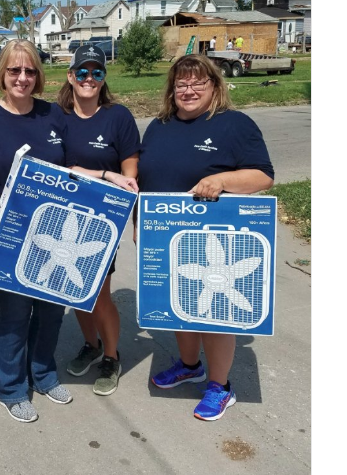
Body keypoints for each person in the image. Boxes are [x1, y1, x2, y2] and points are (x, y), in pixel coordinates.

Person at [137, 54, 274, 421]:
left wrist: (223, 181)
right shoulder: (159, 125)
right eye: (181, 84)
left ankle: (220, 386)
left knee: (213, 313)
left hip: (214, 242)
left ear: (215, 86)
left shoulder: (235, 125)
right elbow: (148, 181)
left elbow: (263, 176)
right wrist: (140, 224)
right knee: (178, 308)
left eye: (198, 82)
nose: (189, 89)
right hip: (165, 236)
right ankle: (188, 364)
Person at [0, 39, 71, 424]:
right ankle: (11, 389)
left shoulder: (54, 115)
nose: (22, 78)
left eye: (29, 71)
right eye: (14, 70)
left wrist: (113, 178)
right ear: (2, 74)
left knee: (51, 311)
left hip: (55, 233)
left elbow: (73, 172)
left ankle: (43, 375)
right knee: (14, 314)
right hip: (6, 234)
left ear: (39, 75)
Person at [55, 45, 140, 396]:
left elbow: (130, 173)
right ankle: (90, 344)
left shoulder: (117, 117)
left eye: (98, 73)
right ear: (71, 76)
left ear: (104, 79)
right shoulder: (55, 116)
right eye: (83, 72)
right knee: (74, 290)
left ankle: (110, 355)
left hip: (102, 220)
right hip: (61, 218)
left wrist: (127, 206)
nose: (90, 79)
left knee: (99, 294)